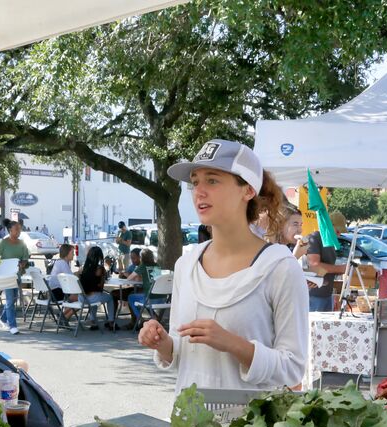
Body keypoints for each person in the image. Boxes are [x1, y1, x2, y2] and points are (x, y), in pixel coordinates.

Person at [139, 139, 308, 392]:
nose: (199, 191)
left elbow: (293, 368)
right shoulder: (186, 265)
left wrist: (233, 343)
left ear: (248, 190)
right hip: (190, 426)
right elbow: (182, 353)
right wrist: (162, 343)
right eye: (195, 182)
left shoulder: (280, 267)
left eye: (213, 180)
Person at [0, 220, 30, 334]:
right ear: (10, 230)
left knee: (13, 300)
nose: (19, 231)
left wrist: (22, 264)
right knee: (9, 301)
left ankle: (3, 319)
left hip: (16, 275)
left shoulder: (22, 243)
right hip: (6, 276)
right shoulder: (3, 243)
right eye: (16, 229)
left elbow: (25, 258)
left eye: (19, 229)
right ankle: (12, 325)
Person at [306, 231, 347, 313]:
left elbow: (326, 266)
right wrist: (340, 269)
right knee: (314, 324)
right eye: (337, 231)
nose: (338, 234)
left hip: (327, 293)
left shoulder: (329, 241)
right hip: (314, 295)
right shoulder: (314, 238)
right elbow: (314, 265)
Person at [79, 245, 117, 330]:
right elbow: (100, 287)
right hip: (92, 297)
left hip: (81, 297)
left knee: (94, 298)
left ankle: (93, 321)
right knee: (110, 297)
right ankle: (111, 321)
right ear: (100, 257)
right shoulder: (100, 269)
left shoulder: (83, 268)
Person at [126, 249, 161, 329]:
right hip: (161, 298)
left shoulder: (143, 266)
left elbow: (129, 278)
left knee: (131, 297)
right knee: (144, 297)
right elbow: (154, 279)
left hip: (150, 298)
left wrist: (126, 274)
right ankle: (154, 317)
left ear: (141, 258)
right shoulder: (157, 266)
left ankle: (139, 318)